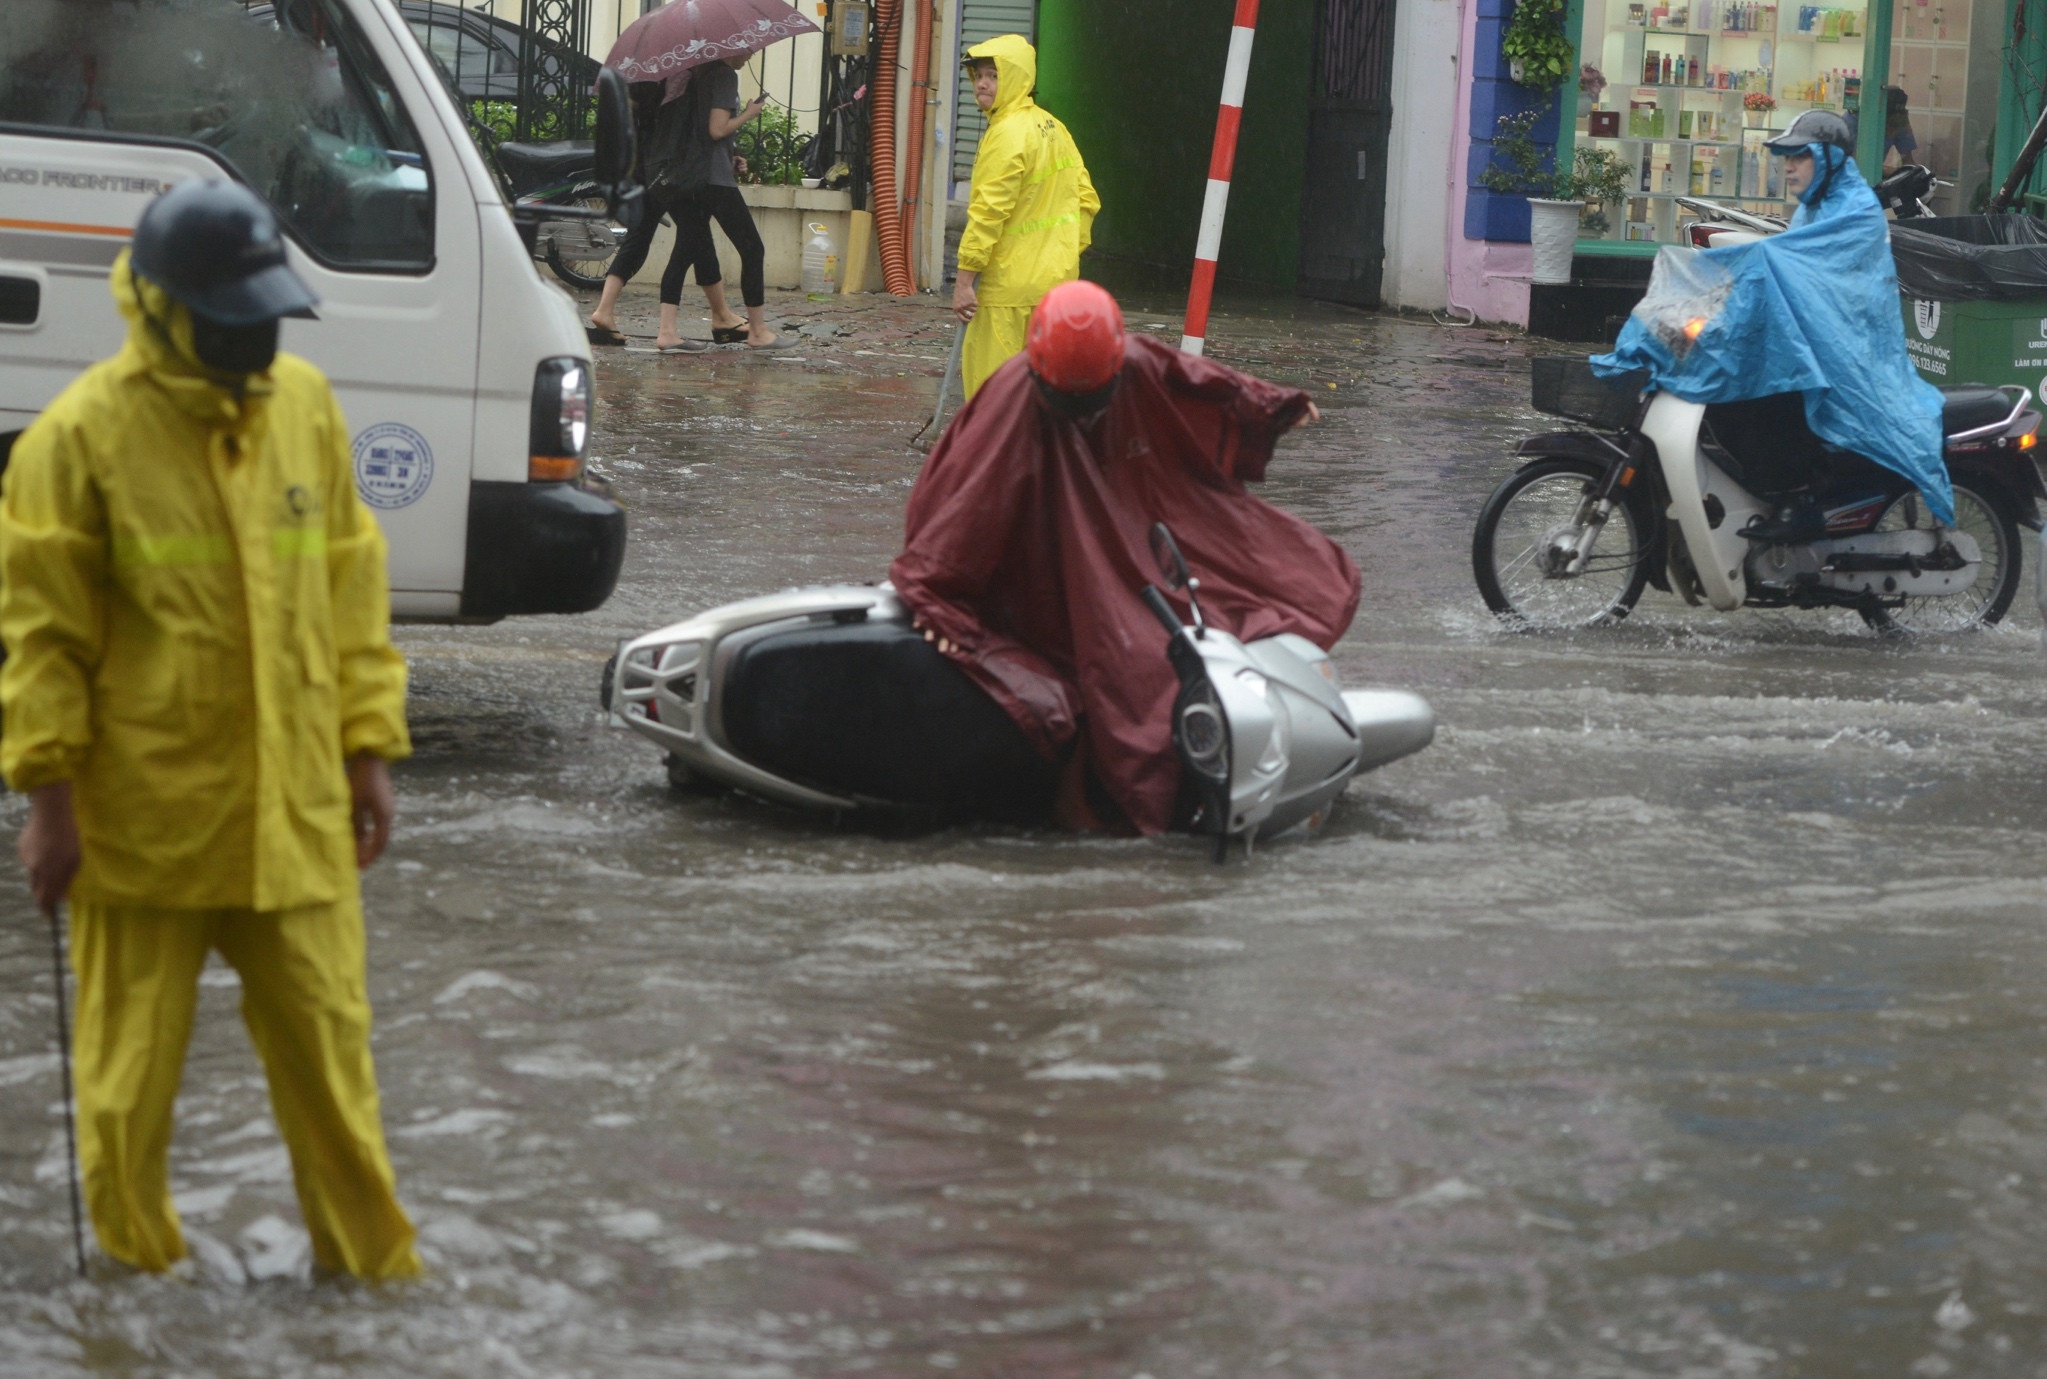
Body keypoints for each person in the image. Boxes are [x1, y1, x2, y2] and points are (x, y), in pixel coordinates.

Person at [3, 180, 420, 1281]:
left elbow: (348, 590)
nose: (255, 344)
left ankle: (373, 1289)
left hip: (296, 820)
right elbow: (43, 641)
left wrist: (366, 751)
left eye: (267, 318)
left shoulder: (304, 409)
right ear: (165, 307)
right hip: (140, 833)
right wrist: (49, 805)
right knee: (123, 1096)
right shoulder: (79, 441)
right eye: (234, 322)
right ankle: (133, 1305)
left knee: (338, 1084)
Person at [891, 281, 1357, 835]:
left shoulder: (1133, 361)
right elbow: (959, 510)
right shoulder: (1011, 403)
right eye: (1068, 402)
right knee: (1110, 669)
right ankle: (1103, 802)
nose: (1080, 413)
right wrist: (937, 598)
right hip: (1041, 553)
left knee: (1274, 582)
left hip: (1121, 532)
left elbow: (1196, 381)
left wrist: (1270, 405)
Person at [1592, 108, 1950, 542]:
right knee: (1731, 377)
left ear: (1831, 160)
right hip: (1817, 339)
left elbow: (1778, 264)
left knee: (1761, 394)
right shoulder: (1814, 209)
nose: (1788, 166)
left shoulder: (1853, 211)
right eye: (1786, 157)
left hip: (1850, 355)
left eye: (1800, 157)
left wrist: (1718, 271)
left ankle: (1796, 501)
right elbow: (1784, 281)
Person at [952, 35, 1099, 398]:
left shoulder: (1007, 135)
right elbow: (1087, 199)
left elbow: (989, 212)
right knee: (1046, 386)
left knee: (994, 390)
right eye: (978, 75)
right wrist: (1064, 253)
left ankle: (995, 451)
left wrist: (964, 280)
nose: (982, 83)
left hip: (1008, 289)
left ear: (1015, 78)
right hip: (1057, 286)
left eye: (993, 75)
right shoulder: (1054, 128)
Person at [586, 78, 710, 352]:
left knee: (638, 239)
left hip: (642, 170)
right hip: (667, 171)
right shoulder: (674, 82)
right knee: (692, 237)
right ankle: (668, 331)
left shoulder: (636, 80)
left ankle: (604, 310)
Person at [674, 52, 786, 350]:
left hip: (694, 176)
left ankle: (708, 323)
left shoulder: (697, 75)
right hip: (715, 180)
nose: (751, 55)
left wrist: (731, 155)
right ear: (730, 47)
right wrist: (749, 113)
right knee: (752, 248)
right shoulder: (724, 76)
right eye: (747, 48)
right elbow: (717, 128)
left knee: (693, 250)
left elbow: (703, 131)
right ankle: (758, 331)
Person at [1883, 85, 1918, 171]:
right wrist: (1890, 172)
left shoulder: (1900, 122)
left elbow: (1908, 161)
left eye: (1901, 112)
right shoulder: (1857, 121)